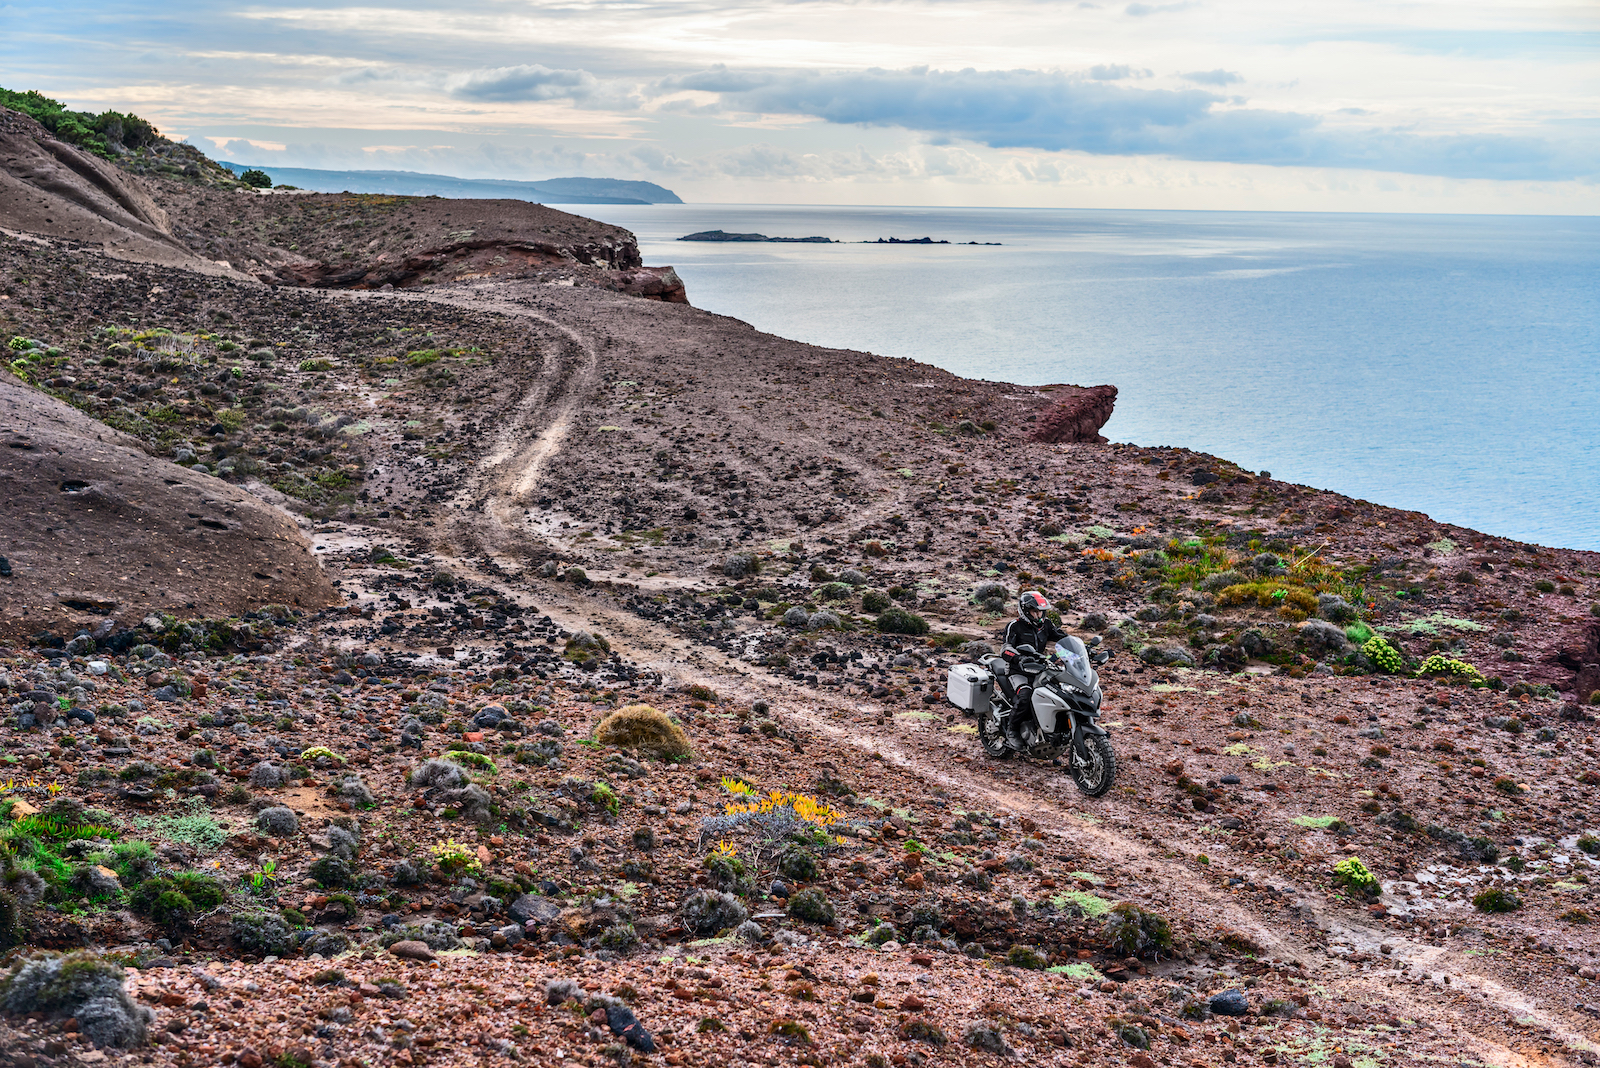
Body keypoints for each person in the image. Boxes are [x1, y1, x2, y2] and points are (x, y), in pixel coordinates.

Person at [995, 591, 1068, 749]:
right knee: (1025, 696)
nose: (1038, 615)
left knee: (1060, 693)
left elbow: (1064, 638)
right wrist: (1018, 658)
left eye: (1040, 611)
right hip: (1017, 671)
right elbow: (1005, 649)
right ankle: (1012, 731)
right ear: (1025, 611)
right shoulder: (1015, 626)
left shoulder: (1046, 624)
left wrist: (1083, 648)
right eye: (1035, 612)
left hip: (1040, 669)